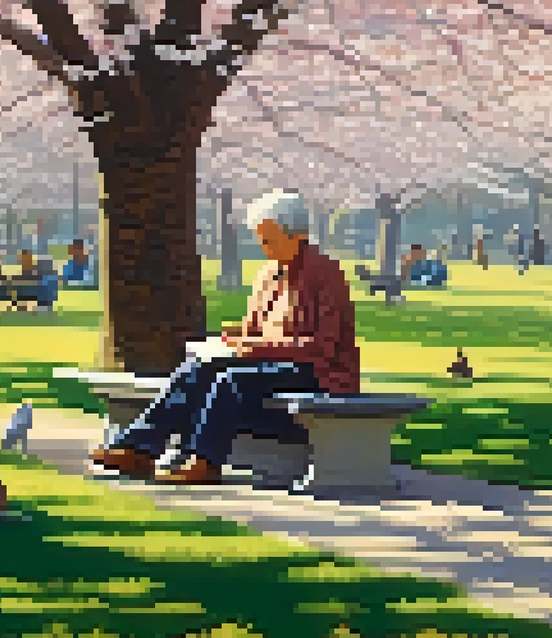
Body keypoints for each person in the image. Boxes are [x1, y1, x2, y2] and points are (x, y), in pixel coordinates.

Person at [91, 188, 359, 485]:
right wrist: (234, 337)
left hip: (317, 373)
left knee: (230, 380)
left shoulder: (326, 274)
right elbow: (254, 328)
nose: (263, 247)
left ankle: (204, 461)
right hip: (271, 363)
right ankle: (140, 449)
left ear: (296, 236)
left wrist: (255, 347)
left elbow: (323, 347)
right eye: (260, 239)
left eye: (269, 240)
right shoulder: (268, 274)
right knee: (194, 370)